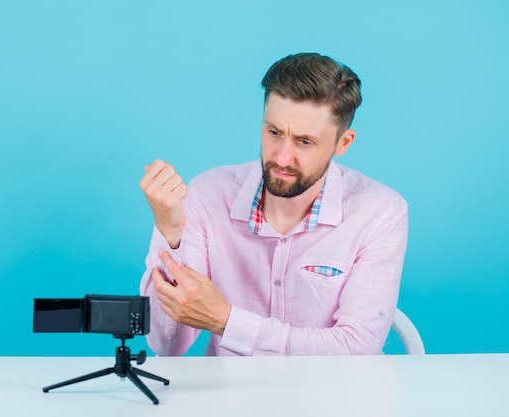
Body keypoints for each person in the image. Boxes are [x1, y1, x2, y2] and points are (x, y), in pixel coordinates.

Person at [139, 52, 408, 356]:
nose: (281, 158)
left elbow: (355, 349)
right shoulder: (208, 195)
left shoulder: (379, 213)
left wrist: (227, 321)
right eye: (274, 133)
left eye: (304, 142)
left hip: (332, 399)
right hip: (227, 400)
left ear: (343, 143)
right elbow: (167, 346)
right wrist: (170, 232)